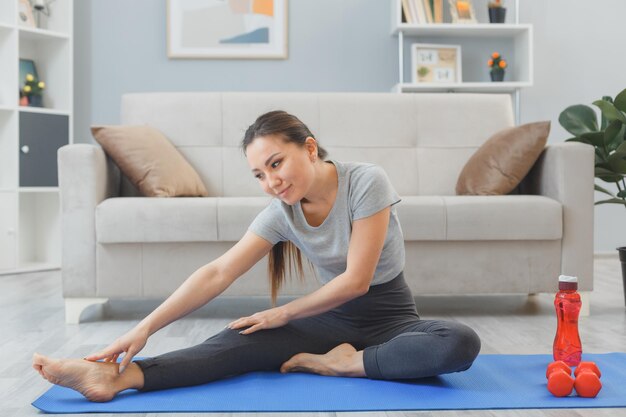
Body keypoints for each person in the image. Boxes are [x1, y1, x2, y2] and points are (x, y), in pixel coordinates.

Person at [32, 110, 481, 403]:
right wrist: (143, 328)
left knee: (458, 343)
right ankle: (117, 378)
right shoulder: (281, 212)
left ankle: (344, 364)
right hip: (329, 320)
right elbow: (218, 272)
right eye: (259, 174)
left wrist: (283, 314)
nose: (271, 181)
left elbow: (356, 282)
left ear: (308, 147)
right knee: (235, 342)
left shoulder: (366, 182)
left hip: (393, 317)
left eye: (276, 163)